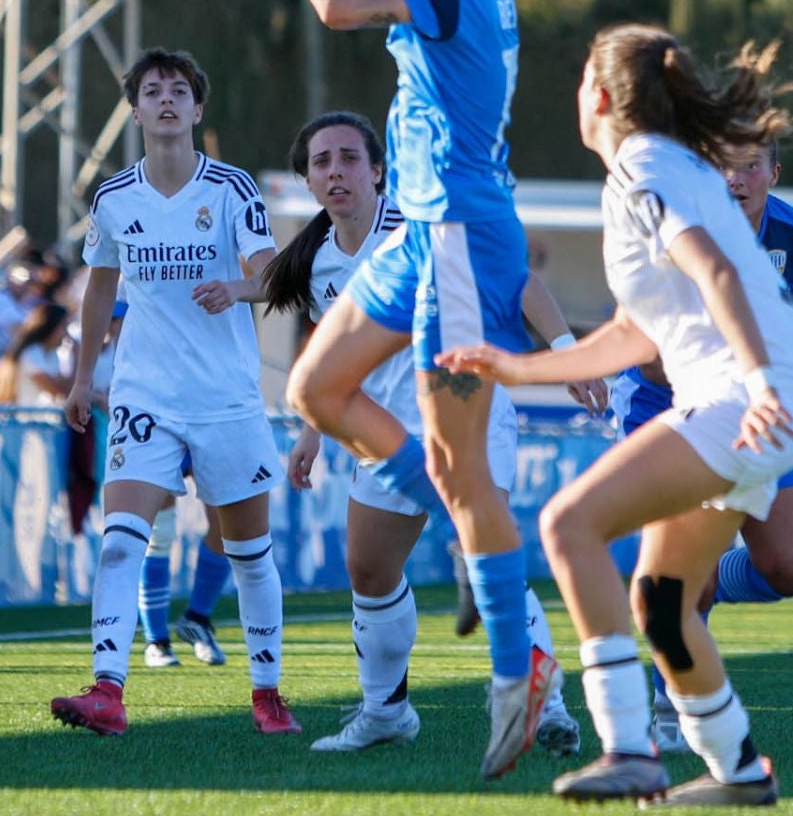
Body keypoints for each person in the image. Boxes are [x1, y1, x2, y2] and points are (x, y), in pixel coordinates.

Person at [237, 0, 554, 777]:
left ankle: (520, 669)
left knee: (464, 472)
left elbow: (335, 2)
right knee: (317, 390)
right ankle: (468, 547)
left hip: (456, 239)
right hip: (423, 234)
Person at [440, 28, 793, 806]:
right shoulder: (664, 170)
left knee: (567, 524)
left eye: (585, 75)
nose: (577, 90)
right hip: (758, 394)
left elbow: (714, 269)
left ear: (605, 97)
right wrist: (521, 366)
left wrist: (757, 383)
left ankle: (628, 748)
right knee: (661, 599)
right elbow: (635, 333)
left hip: (741, 395)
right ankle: (741, 773)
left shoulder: (644, 168)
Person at [245, 110, 587, 754]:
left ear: (379, 170)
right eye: (322, 162)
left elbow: (516, 280)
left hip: (468, 412)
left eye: (350, 158)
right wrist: (313, 432)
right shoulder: (316, 260)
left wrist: (565, 350)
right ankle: (386, 712)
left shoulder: (421, 223)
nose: (336, 171)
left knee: (482, 552)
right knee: (369, 569)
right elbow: (332, 344)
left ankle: (549, 704)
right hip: (383, 433)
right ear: (310, 182)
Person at [49, 48, 294, 739]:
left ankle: (268, 691)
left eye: (178, 90)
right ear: (134, 110)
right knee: (121, 540)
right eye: (152, 90)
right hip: (142, 395)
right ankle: (107, 687)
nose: (165, 99)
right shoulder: (114, 197)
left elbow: (271, 274)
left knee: (249, 554)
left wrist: (238, 287)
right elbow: (100, 286)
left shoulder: (231, 189)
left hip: (225, 399)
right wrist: (81, 377)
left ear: (196, 108)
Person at [601, 136, 793, 750]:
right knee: (689, 575)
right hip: (666, 404)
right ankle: (670, 706)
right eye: (721, 164)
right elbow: (651, 355)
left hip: (755, 405)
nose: (735, 179)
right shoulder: (672, 225)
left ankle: (705, 585)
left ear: (774, 171)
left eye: (750, 164)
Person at [0, 305, 70, 407]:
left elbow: (67, 387)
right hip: (25, 419)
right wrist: (77, 356)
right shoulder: (31, 353)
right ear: (49, 327)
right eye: (63, 327)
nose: (66, 334)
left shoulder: (53, 354)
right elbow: (57, 391)